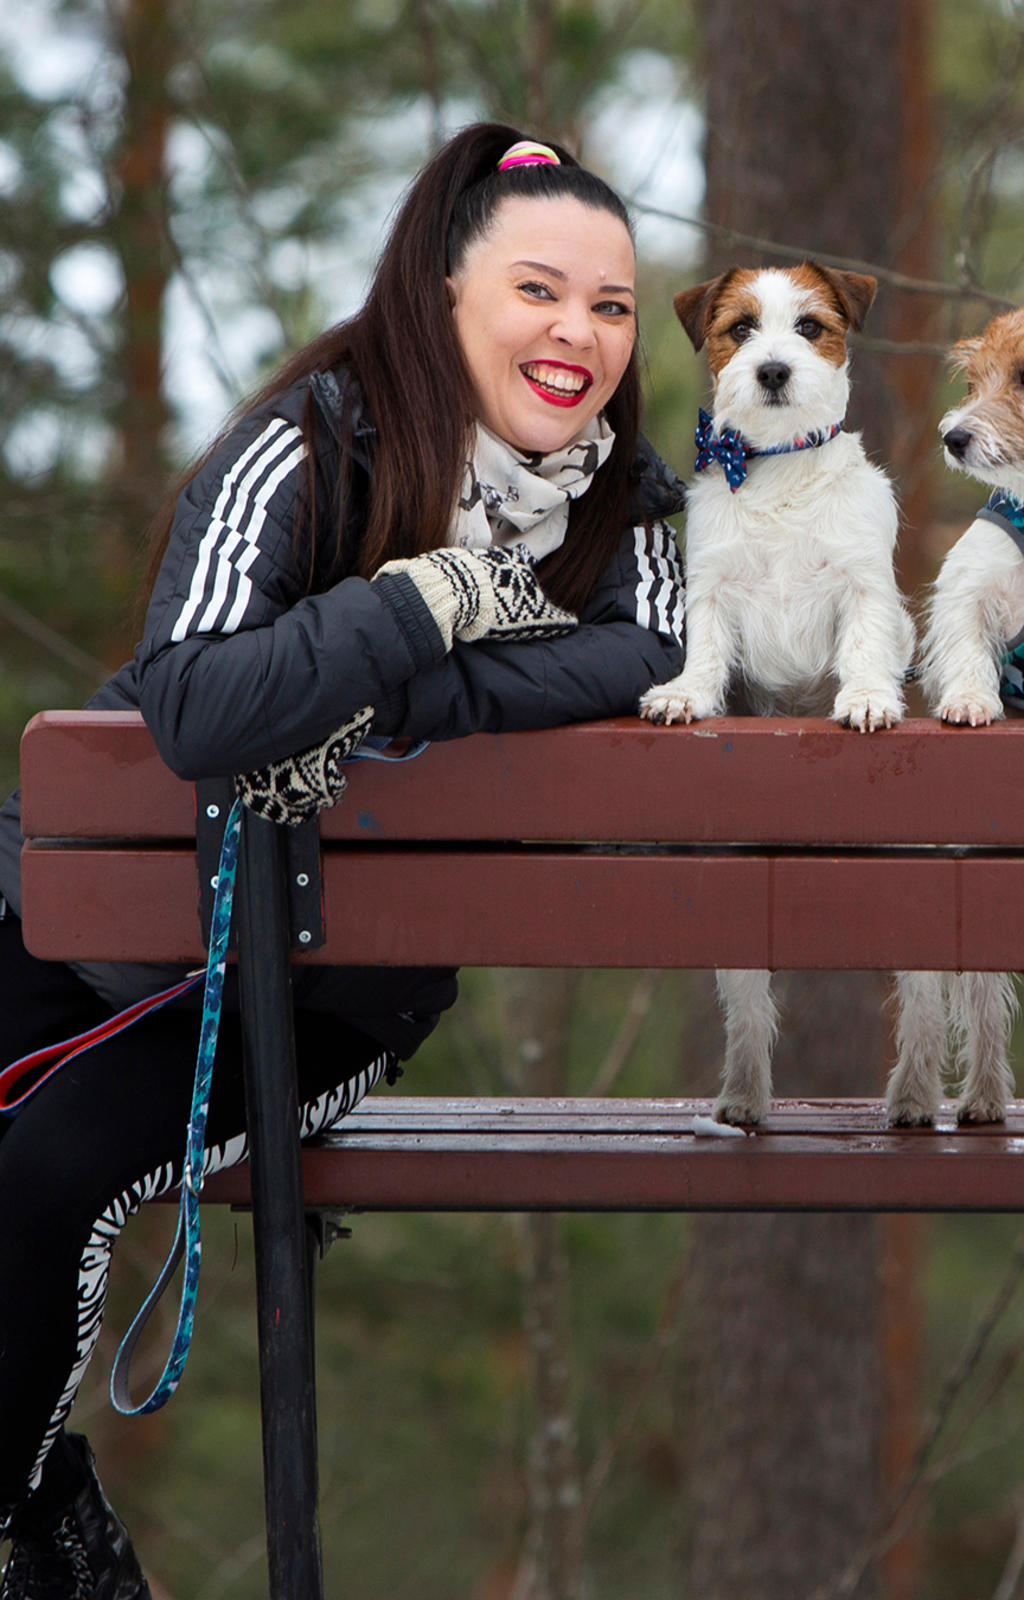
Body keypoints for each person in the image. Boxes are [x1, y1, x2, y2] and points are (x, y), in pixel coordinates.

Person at [0, 122, 686, 1598]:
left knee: (50, 1170)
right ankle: (40, 1492)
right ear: (445, 298)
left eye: (613, 306)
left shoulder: (633, 514)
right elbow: (190, 697)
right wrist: (422, 601)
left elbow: (659, 652)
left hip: (318, 985)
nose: (581, 334)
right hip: (87, 914)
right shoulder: (309, 440)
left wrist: (399, 671)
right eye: (539, 291)